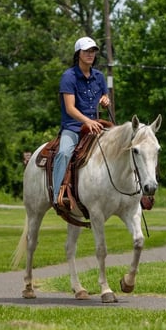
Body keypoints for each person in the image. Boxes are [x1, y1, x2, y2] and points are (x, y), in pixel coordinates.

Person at [52, 36, 110, 207]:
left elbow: (105, 96)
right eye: (86, 51)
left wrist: (106, 100)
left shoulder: (99, 76)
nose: (90, 54)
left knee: (120, 147)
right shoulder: (68, 77)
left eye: (93, 51)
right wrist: (87, 121)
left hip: (96, 126)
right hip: (73, 127)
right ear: (78, 54)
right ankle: (57, 194)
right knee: (63, 153)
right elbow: (70, 108)